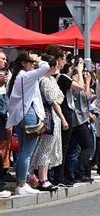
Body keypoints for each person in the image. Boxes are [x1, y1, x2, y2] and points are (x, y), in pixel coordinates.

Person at [6, 51, 50, 195]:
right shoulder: (25, 76)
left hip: (19, 117)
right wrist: (39, 60)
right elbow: (46, 67)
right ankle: (22, 184)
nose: (33, 64)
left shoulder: (16, 77)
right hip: (29, 114)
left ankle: (21, 183)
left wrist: (34, 61)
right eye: (30, 62)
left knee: (22, 152)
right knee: (26, 152)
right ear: (24, 63)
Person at [55, 56, 94, 185]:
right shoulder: (63, 78)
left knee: (70, 148)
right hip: (72, 116)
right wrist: (84, 77)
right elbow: (81, 89)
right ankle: (63, 175)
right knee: (68, 147)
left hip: (73, 115)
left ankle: (67, 175)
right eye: (79, 65)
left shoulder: (67, 78)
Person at [29, 54, 66, 191]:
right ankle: (43, 179)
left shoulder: (51, 79)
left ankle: (44, 177)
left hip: (53, 115)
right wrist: (63, 118)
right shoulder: (44, 80)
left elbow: (60, 97)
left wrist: (57, 101)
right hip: (49, 116)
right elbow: (52, 100)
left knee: (49, 147)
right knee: (45, 147)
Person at [0, 51, 11, 198]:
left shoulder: (5, 76)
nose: (4, 61)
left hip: (5, 117)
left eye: (5, 59)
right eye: (1, 58)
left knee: (4, 150)